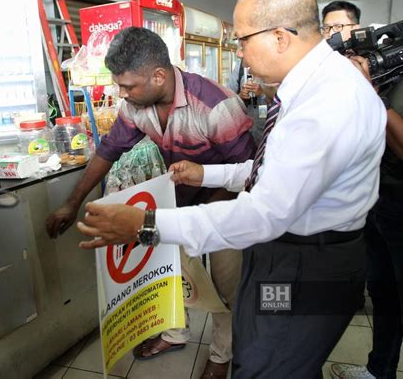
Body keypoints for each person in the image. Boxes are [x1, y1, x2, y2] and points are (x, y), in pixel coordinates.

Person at [76, 0, 387, 378]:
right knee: (258, 338)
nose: (238, 52)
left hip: (305, 267)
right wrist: (204, 173)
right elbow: (269, 170)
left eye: (242, 39)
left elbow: (263, 213)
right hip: (282, 256)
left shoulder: (328, 104)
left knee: (269, 364)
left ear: (280, 36)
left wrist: (147, 225)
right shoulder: (309, 89)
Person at [46, 27, 255, 379]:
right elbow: (109, 150)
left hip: (225, 208)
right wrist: (71, 202)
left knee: (224, 285)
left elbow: (247, 174)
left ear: (159, 76)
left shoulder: (216, 106)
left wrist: (198, 219)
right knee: (173, 271)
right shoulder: (136, 106)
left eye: (128, 86)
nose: (121, 94)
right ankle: (176, 333)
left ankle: (221, 355)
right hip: (177, 202)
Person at [330, 59, 403, 378]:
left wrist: (372, 94)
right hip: (378, 197)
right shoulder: (390, 65)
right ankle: (380, 370)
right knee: (383, 290)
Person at [227, 59, 266, 145]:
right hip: (242, 129)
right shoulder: (240, 66)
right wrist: (240, 96)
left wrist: (262, 93)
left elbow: (282, 101)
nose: (239, 53)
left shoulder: (275, 63)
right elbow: (227, 97)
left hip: (265, 129)